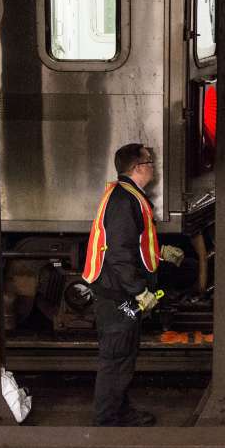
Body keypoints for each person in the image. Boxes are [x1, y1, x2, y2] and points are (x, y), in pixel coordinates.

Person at [83, 143, 180, 427]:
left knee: (123, 357)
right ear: (138, 168)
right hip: (118, 297)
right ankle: (108, 419)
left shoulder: (127, 197)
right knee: (117, 358)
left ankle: (118, 410)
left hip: (118, 294)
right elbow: (119, 255)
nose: (154, 167)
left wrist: (160, 253)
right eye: (150, 162)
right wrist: (140, 292)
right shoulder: (125, 201)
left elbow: (133, 245)